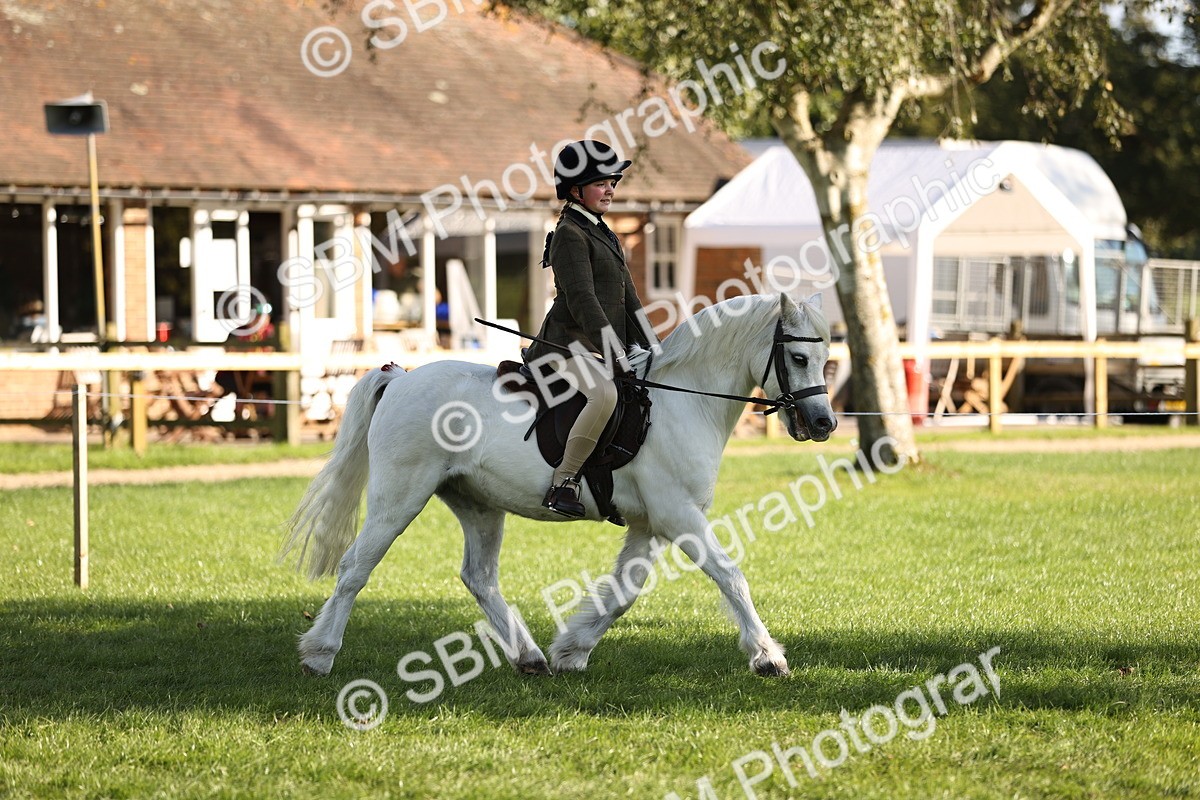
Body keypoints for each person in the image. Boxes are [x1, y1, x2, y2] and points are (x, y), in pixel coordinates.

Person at [524, 140, 654, 518]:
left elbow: (630, 300)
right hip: (565, 347)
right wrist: (616, 353)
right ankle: (564, 482)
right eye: (601, 183)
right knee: (604, 396)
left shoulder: (604, 233)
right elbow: (583, 302)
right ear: (576, 190)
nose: (611, 188)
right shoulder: (569, 234)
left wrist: (655, 349)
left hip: (599, 347)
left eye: (612, 181)